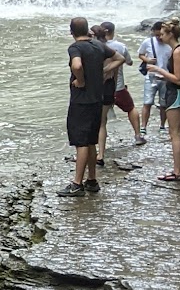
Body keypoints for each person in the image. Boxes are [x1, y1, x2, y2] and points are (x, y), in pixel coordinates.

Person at [60, 13, 106, 197]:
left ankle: (77, 184)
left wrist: (80, 80)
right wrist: (103, 72)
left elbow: (77, 66)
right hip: (97, 99)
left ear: (71, 32)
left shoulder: (75, 48)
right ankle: (92, 180)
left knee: (81, 143)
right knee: (91, 141)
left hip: (81, 101)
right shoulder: (98, 45)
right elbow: (119, 57)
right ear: (87, 29)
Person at [144, 16, 180, 183]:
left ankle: (177, 172)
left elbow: (178, 79)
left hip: (177, 94)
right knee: (179, 132)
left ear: (170, 35)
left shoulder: (178, 51)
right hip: (177, 93)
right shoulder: (178, 50)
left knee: (175, 133)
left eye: (162, 34)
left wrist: (158, 70)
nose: (160, 37)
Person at [92, 21, 140, 164]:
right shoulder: (119, 47)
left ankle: (97, 152)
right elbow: (129, 62)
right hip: (117, 88)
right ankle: (138, 135)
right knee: (130, 108)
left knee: (100, 122)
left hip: (97, 90)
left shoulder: (93, 48)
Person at [138, 20, 170, 135]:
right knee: (147, 102)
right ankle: (143, 127)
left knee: (164, 104)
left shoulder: (170, 44)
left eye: (160, 35)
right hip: (151, 76)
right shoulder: (148, 42)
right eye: (156, 35)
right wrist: (147, 60)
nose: (159, 37)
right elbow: (140, 54)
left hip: (166, 78)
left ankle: (162, 125)